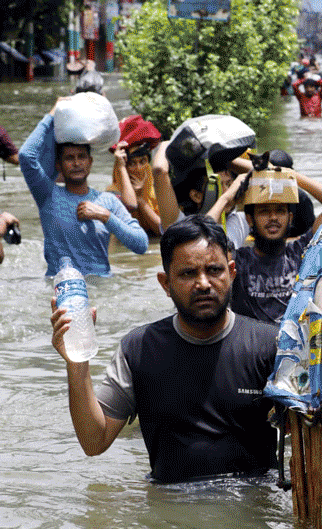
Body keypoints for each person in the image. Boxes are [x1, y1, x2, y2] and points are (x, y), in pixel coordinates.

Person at [49, 214, 279, 483]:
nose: (203, 283)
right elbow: (93, 441)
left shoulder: (269, 346)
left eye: (214, 270)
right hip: (171, 509)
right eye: (188, 273)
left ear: (232, 273)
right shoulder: (138, 350)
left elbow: (307, 435)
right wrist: (76, 364)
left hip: (251, 505)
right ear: (165, 284)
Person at [20, 98, 148, 276]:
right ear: (59, 165)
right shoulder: (48, 195)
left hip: (101, 286)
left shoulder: (107, 201)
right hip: (61, 286)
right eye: (69, 158)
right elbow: (26, 156)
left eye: (81, 157)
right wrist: (52, 114)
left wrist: (105, 216)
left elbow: (141, 244)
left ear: (90, 162)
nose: (76, 163)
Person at [229, 164, 322, 323]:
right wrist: (227, 198)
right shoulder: (238, 260)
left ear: (290, 218)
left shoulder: (302, 251)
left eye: (280, 211)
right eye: (264, 211)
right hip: (252, 343)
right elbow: (201, 242)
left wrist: (291, 176)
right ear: (249, 219)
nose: (273, 217)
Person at [106, 115, 164, 238]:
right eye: (131, 163)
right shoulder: (113, 194)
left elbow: (163, 230)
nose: (138, 168)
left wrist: (141, 200)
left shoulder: (160, 188)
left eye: (142, 161)